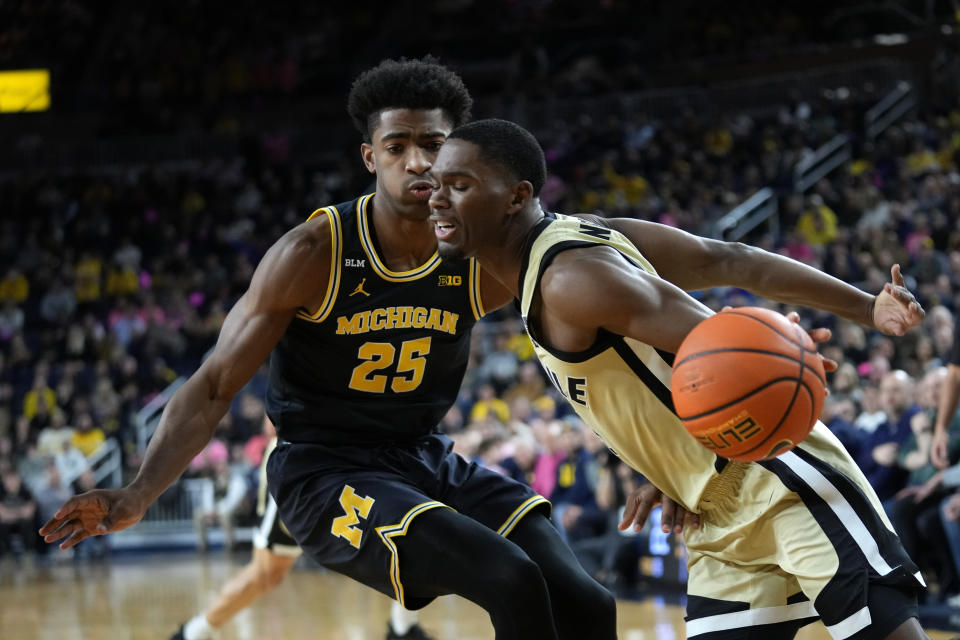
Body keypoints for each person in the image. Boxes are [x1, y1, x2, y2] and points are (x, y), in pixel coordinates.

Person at [40, 58, 691, 640]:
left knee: (585, 599)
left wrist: (742, 274)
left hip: (423, 459)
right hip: (325, 471)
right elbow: (214, 384)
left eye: (433, 145)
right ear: (369, 156)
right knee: (509, 578)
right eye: (397, 145)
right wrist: (141, 492)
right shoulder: (314, 253)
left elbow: (615, 256)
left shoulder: (482, 249)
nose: (417, 162)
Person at [427, 117, 932, 639]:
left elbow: (727, 352)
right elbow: (732, 260)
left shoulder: (571, 279)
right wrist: (664, 467)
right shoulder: (583, 239)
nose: (436, 199)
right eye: (437, 184)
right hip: (708, 513)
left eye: (459, 186)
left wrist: (785, 355)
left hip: (776, 476)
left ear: (516, 197)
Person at [173, 416, 433, 640]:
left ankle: (403, 627)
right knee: (266, 574)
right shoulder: (309, 363)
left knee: (409, 536)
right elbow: (272, 421)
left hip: (364, 457)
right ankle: (195, 632)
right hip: (302, 464)